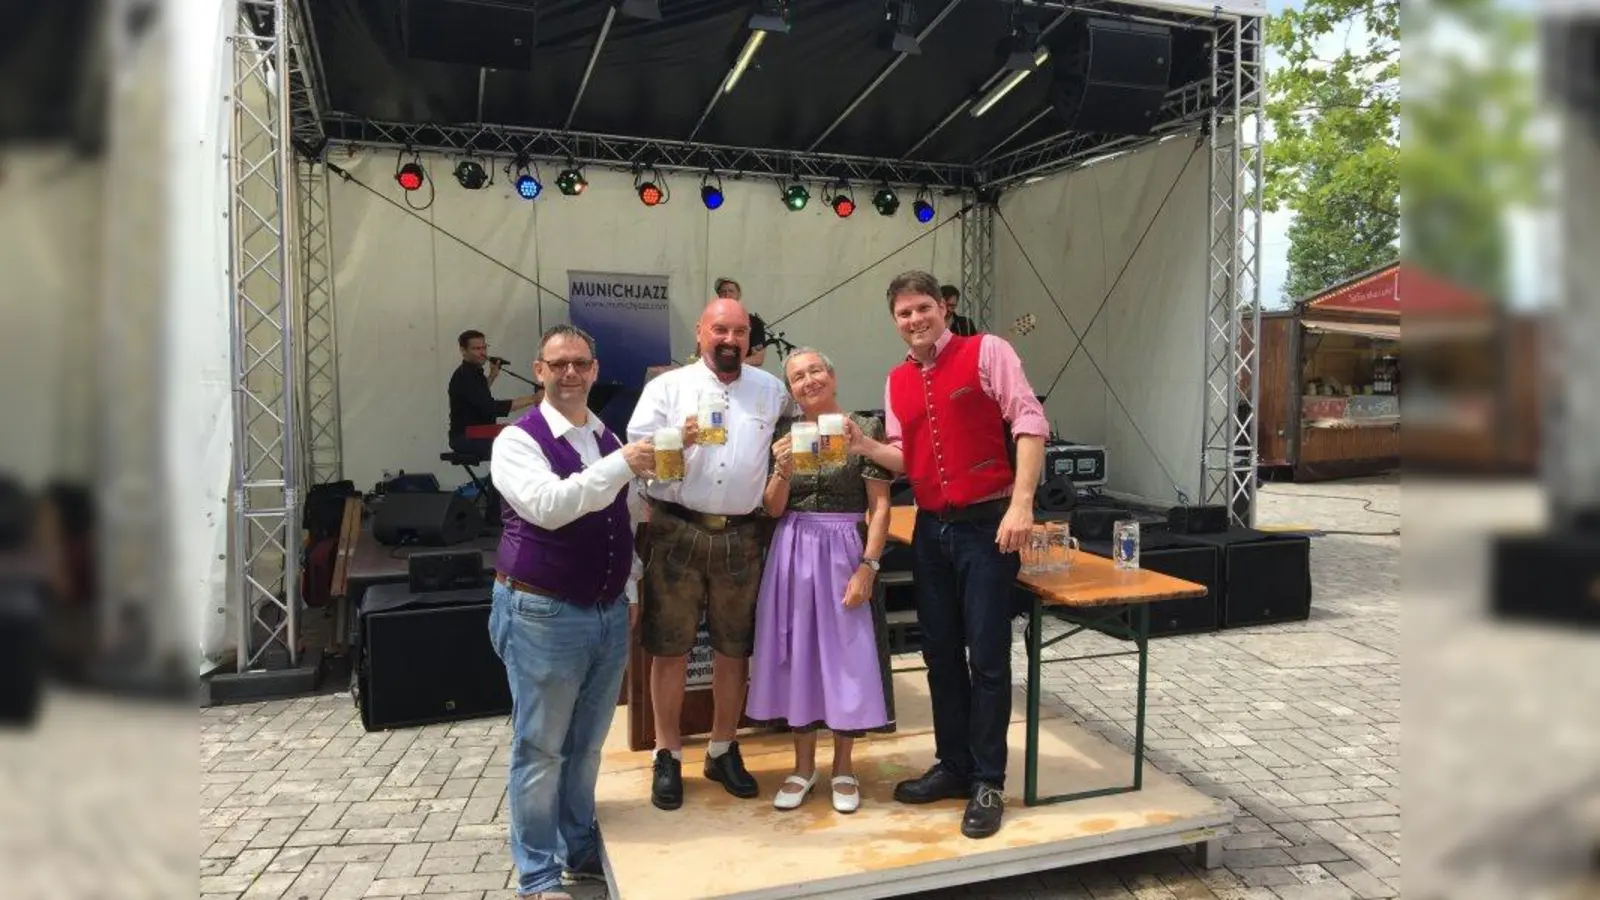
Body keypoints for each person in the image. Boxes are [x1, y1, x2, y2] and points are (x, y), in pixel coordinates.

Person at [847, 270, 1048, 839]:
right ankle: (954, 764)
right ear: (895, 322)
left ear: (944, 308)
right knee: (939, 654)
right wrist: (865, 447)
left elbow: (1029, 422)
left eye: (923, 308)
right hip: (933, 529)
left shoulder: (989, 351)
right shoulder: (896, 381)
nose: (915, 320)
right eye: (904, 314)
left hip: (989, 522)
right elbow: (907, 461)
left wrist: (1022, 504)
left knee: (986, 657)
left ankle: (988, 778)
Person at [487, 324, 655, 900]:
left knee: (586, 742)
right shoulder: (518, 439)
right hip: (543, 611)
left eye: (580, 364)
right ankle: (536, 874)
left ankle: (578, 844)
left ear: (593, 368)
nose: (569, 374)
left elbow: (624, 519)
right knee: (539, 746)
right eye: (558, 364)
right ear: (538, 370)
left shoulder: (605, 436)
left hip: (605, 609)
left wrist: (629, 588)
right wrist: (624, 465)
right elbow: (549, 508)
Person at [626, 297, 789, 810]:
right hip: (677, 528)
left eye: (740, 332)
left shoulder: (772, 391)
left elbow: (785, 457)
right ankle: (668, 753)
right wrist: (680, 443)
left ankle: (722, 747)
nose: (730, 340)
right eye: (720, 329)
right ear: (700, 333)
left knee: (733, 648)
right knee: (669, 647)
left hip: (743, 534)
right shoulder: (666, 389)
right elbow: (640, 464)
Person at [746, 348, 896, 813]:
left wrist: (868, 567)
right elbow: (773, 508)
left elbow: (881, 507)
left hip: (843, 547)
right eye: (797, 376)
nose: (808, 381)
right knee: (798, 655)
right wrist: (782, 469)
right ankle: (803, 765)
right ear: (790, 389)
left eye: (815, 371)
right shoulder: (782, 434)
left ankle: (844, 767)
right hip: (791, 549)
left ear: (832, 376)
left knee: (847, 658)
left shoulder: (863, 429)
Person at [449, 329, 541, 458]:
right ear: (463, 351)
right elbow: (490, 408)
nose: (482, 353)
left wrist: (492, 376)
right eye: (476, 349)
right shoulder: (465, 376)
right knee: (518, 448)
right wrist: (533, 399)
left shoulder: (474, 373)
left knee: (523, 437)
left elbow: (477, 396)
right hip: (467, 437)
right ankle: (493, 479)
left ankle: (492, 479)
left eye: (484, 348)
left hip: (479, 433)